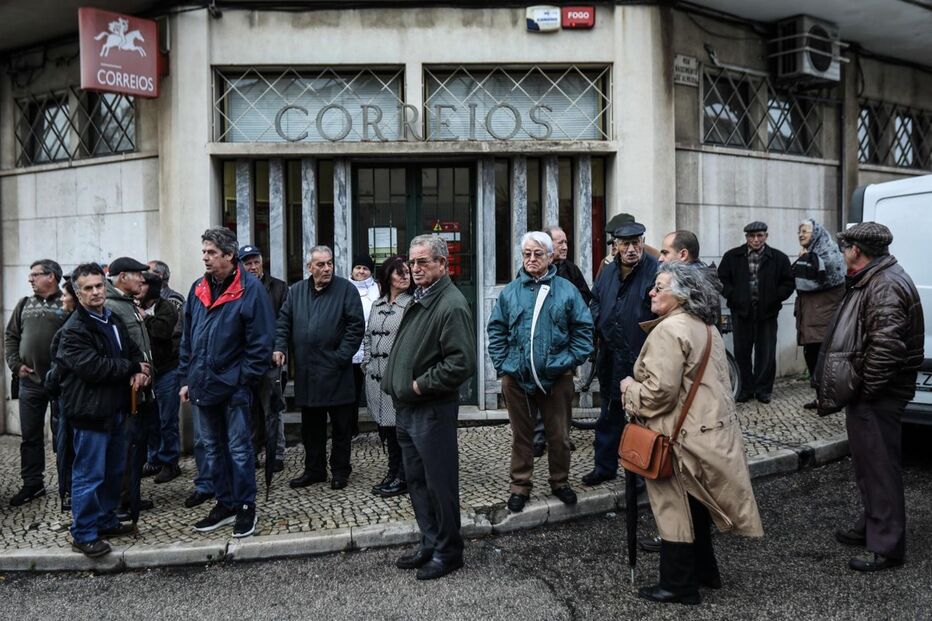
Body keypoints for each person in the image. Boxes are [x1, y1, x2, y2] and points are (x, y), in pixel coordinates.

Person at [620, 261, 764, 605]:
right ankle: (704, 571)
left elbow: (659, 394)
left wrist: (628, 389)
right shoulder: (705, 324)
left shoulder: (669, 330)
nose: (651, 292)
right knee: (696, 503)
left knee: (673, 506)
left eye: (659, 288)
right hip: (707, 431)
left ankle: (678, 585)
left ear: (681, 295)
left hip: (677, 435)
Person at [816, 222, 923, 572]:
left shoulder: (884, 284)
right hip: (872, 395)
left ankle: (887, 545)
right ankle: (872, 524)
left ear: (856, 251)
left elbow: (886, 349)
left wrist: (865, 391)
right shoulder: (876, 277)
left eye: (844, 248)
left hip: (878, 396)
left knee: (879, 468)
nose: (842, 253)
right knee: (869, 465)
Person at [383, 234, 476, 581]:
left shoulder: (450, 304)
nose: (415, 268)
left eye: (423, 261)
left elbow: (461, 363)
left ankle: (449, 552)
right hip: (408, 409)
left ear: (442, 264)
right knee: (418, 482)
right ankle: (431, 542)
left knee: (439, 484)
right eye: (412, 262)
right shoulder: (421, 296)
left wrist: (419, 385)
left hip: (431, 409)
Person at [178, 227, 275, 538]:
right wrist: (186, 378)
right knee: (212, 448)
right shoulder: (198, 288)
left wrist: (241, 380)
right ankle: (225, 503)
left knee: (239, 449)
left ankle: (245, 506)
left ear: (230, 255)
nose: (205, 258)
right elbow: (188, 338)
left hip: (233, 388)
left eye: (212, 252)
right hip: (202, 386)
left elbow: (261, 344)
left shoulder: (250, 289)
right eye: (204, 252)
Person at [488, 232, 593, 513]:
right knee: (521, 436)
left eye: (537, 254)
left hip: (557, 379)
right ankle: (520, 486)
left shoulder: (567, 290)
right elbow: (496, 330)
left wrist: (566, 362)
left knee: (559, 436)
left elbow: (584, 331)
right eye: (527, 254)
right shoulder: (511, 292)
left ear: (550, 256)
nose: (531, 259)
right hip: (517, 378)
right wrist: (503, 364)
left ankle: (560, 482)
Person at [56, 263, 151, 557]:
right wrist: (132, 367)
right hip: (90, 413)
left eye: (99, 285)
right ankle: (83, 533)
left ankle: (106, 520)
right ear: (77, 292)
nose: (96, 292)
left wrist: (140, 371)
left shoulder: (111, 318)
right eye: (88, 288)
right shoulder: (74, 329)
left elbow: (132, 350)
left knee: (113, 471)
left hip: (117, 409)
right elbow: (93, 368)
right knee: (89, 475)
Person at [274, 246, 364, 491]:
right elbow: (283, 323)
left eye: (329, 263)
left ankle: (340, 471)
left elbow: (355, 327)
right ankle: (314, 470)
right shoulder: (296, 292)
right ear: (309, 267)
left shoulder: (346, 289)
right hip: (308, 372)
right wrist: (279, 347)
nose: (326, 268)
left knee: (342, 427)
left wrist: (340, 357)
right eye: (321, 264)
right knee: (311, 428)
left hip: (337, 372)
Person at [583, 221, 658, 486]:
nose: (631, 249)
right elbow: (595, 299)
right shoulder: (608, 270)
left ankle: (638, 473)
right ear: (616, 245)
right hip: (609, 354)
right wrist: (598, 321)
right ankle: (605, 467)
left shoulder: (655, 269)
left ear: (642, 242)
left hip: (640, 356)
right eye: (625, 244)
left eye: (636, 243)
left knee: (639, 416)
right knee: (608, 413)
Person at [5, 259, 68, 507]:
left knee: (64, 436)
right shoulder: (24, 304)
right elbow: (11, 336)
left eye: (35, 274)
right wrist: (15, 364)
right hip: (29, 382)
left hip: (61, 383)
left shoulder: (66, 302)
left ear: (51, 276)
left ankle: (68, 486)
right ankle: (33, 484)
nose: (30, 279)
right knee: (30, 436)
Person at [717, 222, 794, 403]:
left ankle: (763, 390)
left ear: (766, 236)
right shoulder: (732, 256)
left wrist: (775, 297)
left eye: (760, 235)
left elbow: (788, 282)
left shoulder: (779, 258)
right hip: (741, 312)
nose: (756, 239)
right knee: (742, 351)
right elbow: (721, 280)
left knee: (766, 352)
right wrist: (734, 296)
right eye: (752, 236)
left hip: (768, 312)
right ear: (746, 237)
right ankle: (745, 388)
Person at [362, 255, 413, 498]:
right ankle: (393, 472)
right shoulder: (377, 304)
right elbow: (368, 336)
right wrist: (367, 364)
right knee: (387, 431)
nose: (405, 275)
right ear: (387, 276)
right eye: (399, 272)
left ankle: (403, 476)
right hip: (376, 380)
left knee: (400, 431)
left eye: (407, 271)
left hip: (397, 381)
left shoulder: (411, 304)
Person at [239, 245, 288, 472]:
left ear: (262, 263)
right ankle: (252, 451)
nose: (252, 267)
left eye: (255, 262)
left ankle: (276, 453)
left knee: (273, 409)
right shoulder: (236, 288)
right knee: (248, 410)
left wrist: (278, 349)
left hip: (270, 360)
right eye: (247, 263)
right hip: (245, 361)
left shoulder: (279, 288)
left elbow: (284, 322)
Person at [792, 220, 845, 409]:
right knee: (813, 357)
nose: (801, 234)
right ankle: (821, 397)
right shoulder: (813, 254)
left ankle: (831, 399)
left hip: (823, 318)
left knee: (823, 359)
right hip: (811, 316)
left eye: (805, 231)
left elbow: (808, 280)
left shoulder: (828, 254)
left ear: (816, 233)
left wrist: (805, 260)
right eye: (799, 231)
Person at [138, 271, 182, 483]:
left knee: (167, 420)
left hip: (167, 371)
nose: (139, 287)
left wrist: (146, 318)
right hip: (147, 372)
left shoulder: (167, 307)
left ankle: (170, 462)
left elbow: (163, 332)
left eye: (143, 284)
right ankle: (153, 459)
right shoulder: (133, 306)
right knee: (150, 419)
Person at [45, 277, 77, 512]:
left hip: (68, 399)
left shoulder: (69, 328)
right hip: (64, 399)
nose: (62, 299)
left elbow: (58, 371)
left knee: (69, 449)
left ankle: (71, 493)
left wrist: (50, 383)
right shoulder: (68, 324)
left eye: (65, 295)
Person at [350, 254, 381, 436]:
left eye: (365, 268)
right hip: (352, 350)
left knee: (377, 391)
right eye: (358, 268)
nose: (361, 272)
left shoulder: (378, 288)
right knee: (351, 394)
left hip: (374, 348)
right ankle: (351, 429)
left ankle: (383, 429)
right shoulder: (344, 288)